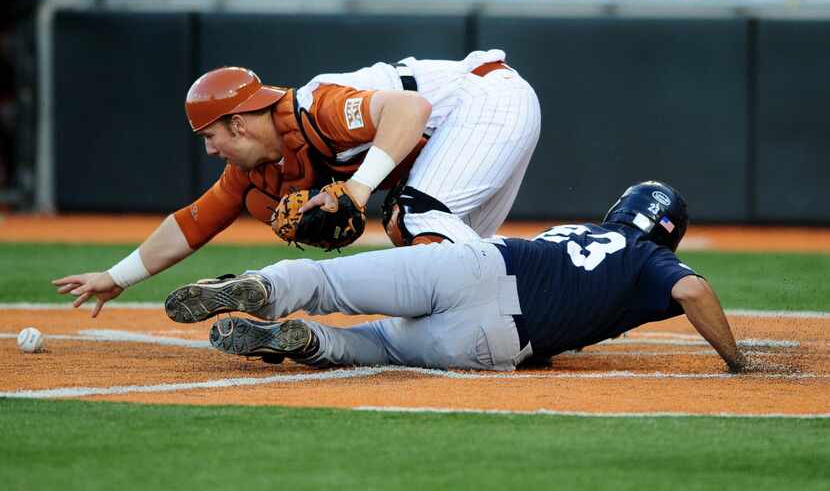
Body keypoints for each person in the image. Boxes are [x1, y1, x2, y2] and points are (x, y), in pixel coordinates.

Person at [52, 49, 541, 317]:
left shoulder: (316, 110)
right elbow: (193, 223)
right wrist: (117, 277)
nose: (209, 149)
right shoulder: (255, 169)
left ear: (239, 124)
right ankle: (536, 308)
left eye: (211, 135)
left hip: (486, 101)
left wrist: (358, 189)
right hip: (469, 124)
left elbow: (410, 109)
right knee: (463, 259)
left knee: (413, 219)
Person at [164, 181, 749, 373]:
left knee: (326, 279)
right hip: (499, 338)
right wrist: (736, 361)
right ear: (668, 230)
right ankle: (310, 342)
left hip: (480, 264)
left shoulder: (577, 230)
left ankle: (266, 290)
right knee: (378, 346)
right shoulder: (652, 262)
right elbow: (693, 289)